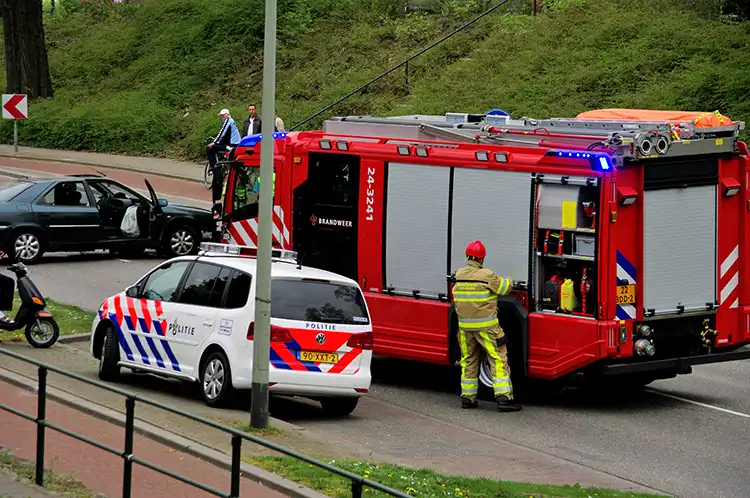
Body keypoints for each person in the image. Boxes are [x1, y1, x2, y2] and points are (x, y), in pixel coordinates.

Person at [452, 240, 521, 412]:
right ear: (482, 259)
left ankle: (468, 398)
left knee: (468, 360)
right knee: (498, 358)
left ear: (467, 256)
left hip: (465, 329)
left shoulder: (459, 275)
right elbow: (504, 287)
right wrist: (512, 282)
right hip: (487, 328)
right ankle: (504, 398)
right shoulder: (486, 275)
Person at [208, 108, 241, 203]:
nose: (222, 117)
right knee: (218, 147)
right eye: (221, 116)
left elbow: (221, 134)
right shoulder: (230, 122)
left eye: (223, 115)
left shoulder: (228, 121)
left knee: (210, 148)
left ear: (227, 115)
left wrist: (214, 143)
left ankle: (214, 165)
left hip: (232, 145)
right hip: (233, 144)